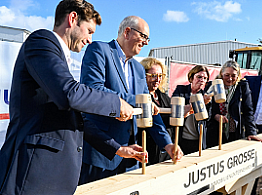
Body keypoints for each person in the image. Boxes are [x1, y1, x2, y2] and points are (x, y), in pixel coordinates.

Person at [0, 0, 134, 194]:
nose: (89, 40)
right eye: (89, 31)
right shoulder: (41, 41)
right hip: (32, 175)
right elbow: (69, 94)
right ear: (72, 19)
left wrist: (116, 148)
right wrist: (116, 102)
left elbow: (78, 120)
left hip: (52, 178)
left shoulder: (59, 60)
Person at [79, 16, 183, 184]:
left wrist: (167, 144)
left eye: (148, 38)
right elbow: (93, 89)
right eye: (143, 36)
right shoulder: (99, 50)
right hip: (102, 154)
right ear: (127, 32)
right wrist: (139, 101)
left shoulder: (138, 68)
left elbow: (148, 108)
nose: (146, 42)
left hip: (132, 156)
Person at [208, 61, 262, 147]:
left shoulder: (242, 87)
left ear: (238, 76)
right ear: (221, 74)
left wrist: (251, 132)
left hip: (235, 132)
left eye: (233, 76)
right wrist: (215, 116)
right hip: (215, 132)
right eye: (227, 75)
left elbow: (248, 110)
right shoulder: (212, 86)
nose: (230, 79)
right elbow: (207, 108)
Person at [139, 57, 173, 165]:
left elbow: (167, 122)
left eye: (160, 76)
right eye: (153, 76)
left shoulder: (165, 97)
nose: (157, 79)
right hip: (146, 153)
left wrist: (182, 113)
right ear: (143, 76)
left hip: (165, 154)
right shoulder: (138, 98)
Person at [172, 65, 212, 155]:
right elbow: (175, 110)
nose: (202, 80)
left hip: (198, 140)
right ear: (191, 78)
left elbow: (208, 120)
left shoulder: (205, 97)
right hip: (181, 139)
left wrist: (207, 105)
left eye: (205, 78)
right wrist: (196, 104)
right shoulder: (181, 90)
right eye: (199, 77)